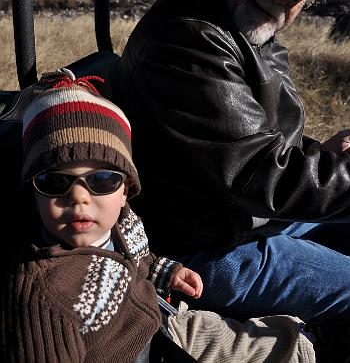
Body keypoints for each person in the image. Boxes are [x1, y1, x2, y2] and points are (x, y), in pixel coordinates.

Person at [114, 0, 350, 326]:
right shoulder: (188, 39)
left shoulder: (240, 23)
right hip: (200, 250)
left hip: (242, 219)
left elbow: (266, 138)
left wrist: (332, 156)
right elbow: (261, 172)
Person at [1, 68, 202, 363]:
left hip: (157, 324)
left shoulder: (123, 221)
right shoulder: (42, 295)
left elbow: (138, 257)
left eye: (103, 179)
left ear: (126, 190)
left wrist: (164, 271)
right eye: (55, 181)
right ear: (34, 194)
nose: (79, 197)